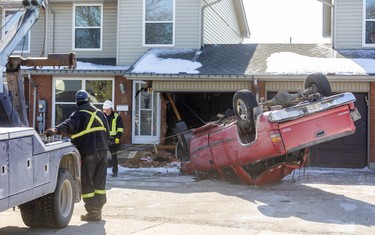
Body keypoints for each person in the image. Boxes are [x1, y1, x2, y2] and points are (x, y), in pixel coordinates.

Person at [46, 90, 110, 222]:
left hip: (88, 152)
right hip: (103, 152)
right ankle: (98, 209)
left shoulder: (78, 114)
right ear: (88, 100)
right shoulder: (100, 113)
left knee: (86, 181)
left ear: (77, 102)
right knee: (99, 181)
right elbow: (107, 133)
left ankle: (92, 211)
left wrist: (56, 130)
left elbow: (68, 125)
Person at [102, 100, 124, 177]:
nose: (106, 111)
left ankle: (115, 172)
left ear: (111, 108)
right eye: (105, 109)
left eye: (108, 109)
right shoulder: (102, 116)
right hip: (104, 139)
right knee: (102, 157)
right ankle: (102, 172)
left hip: (113, 139)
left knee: (114, 156)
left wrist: (118, 137)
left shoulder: (117, 117)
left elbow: (120, 128)